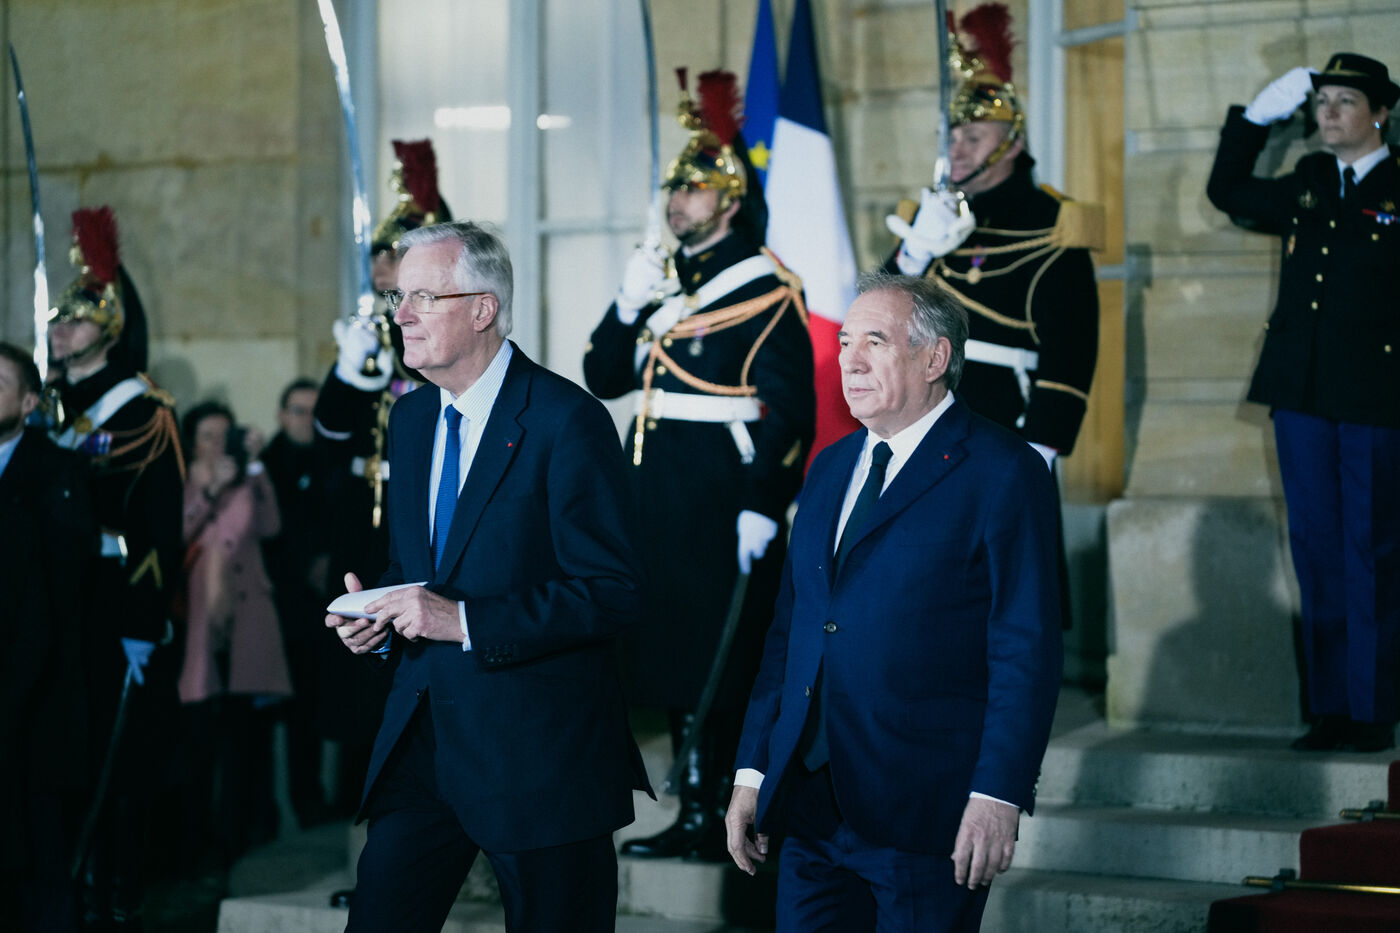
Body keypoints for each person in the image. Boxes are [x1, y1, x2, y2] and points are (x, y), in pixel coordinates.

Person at [325, 221, 652, 932]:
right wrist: (377, 615)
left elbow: (613, 592)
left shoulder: (567, 420)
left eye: (423, 297)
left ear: (483, 309)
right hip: (423, 743)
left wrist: (464, 620)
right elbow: (419, 569)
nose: (401, 316)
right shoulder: (411, 419)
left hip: (541, 755)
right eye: (399, 298)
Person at [724, 273, 1063, 932]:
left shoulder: (1003, 470)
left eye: (874, 342)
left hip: (926, 814)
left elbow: (1026, 650)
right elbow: (791, 634)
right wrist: (753, 770)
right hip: (810, 810)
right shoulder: (828, 467)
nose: (849, 361)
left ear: (934, 358)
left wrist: (997, 793)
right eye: (845, 342)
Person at [583, 68, 815, 861]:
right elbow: (601, 376)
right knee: (674, 654)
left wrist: (764, 500)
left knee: (724, 654)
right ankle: (690, 808)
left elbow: (791, 410)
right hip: (655, 497)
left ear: (731, 199)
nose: (676, 201)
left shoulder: (766, 288)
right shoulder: (665, 285)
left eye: (693, 188)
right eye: (673, 188)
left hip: (719, 498)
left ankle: (723, 808)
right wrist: (625, 304)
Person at [1205, 53, 1400, 753]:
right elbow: (1227, 190)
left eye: (1345, 101)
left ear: (1381, 113)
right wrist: (1255, 119)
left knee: (1372, 549)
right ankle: (1330, 709)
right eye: (1322, 102)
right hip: (1301, 392)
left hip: (1376, 395)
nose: (1329, 113)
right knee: (1315, 549)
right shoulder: (1312, 179)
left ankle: (1373, 709)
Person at [42, 207, 185, 931]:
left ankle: (117, 887)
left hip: (113, 603)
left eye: (77, 317)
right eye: (58, 318)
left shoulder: (142, 412)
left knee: (116, 759)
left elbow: (157, 530)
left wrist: (144, 620)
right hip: (51, 605)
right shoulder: (43, 405)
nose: (61, 328)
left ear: (110, 323)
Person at [884, 4, 1101, 469]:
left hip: (1002, 428)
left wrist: (1041, 448)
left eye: (974, 138)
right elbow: (876, 316)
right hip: (916, 422)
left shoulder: (1053, 223)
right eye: (952, 138)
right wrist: (914, 251)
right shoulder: (930, 217)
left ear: (1012, 144)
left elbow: (1071, 350)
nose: (957, 150)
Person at [313, 139, 451, 816]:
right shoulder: (369, 336)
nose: (379, 270)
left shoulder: (435, 337)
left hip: (425, 516)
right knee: (359, 661)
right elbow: (328, 434)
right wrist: (348, 372)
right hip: (365, 524)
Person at [0, 342, 96, 933]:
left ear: (30, 402)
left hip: (35, 692)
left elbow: (59, 596)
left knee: (41, 851)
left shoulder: (59, 471)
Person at [176, 401, 292, 866]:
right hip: (201, 624)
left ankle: (245, 833)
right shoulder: (185, 482)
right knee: (201, 738)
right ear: (192, 442)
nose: (217, 444)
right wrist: (211, 491)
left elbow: (271, 526)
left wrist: (256, 466)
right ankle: (200, 841)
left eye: (225, 435)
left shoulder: (250, 480)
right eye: (208, 436)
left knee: (247, 737)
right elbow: (177, 533)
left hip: (249, 620)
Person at [261, 378, 334, 826]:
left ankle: (332, 795)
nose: (306, 420)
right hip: (283, 605)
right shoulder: (267, 465)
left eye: (313, 411)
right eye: (298, 411)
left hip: (329, 601)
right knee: (295, 709)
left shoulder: (331, 458)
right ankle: (297, 801)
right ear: (281, 415)